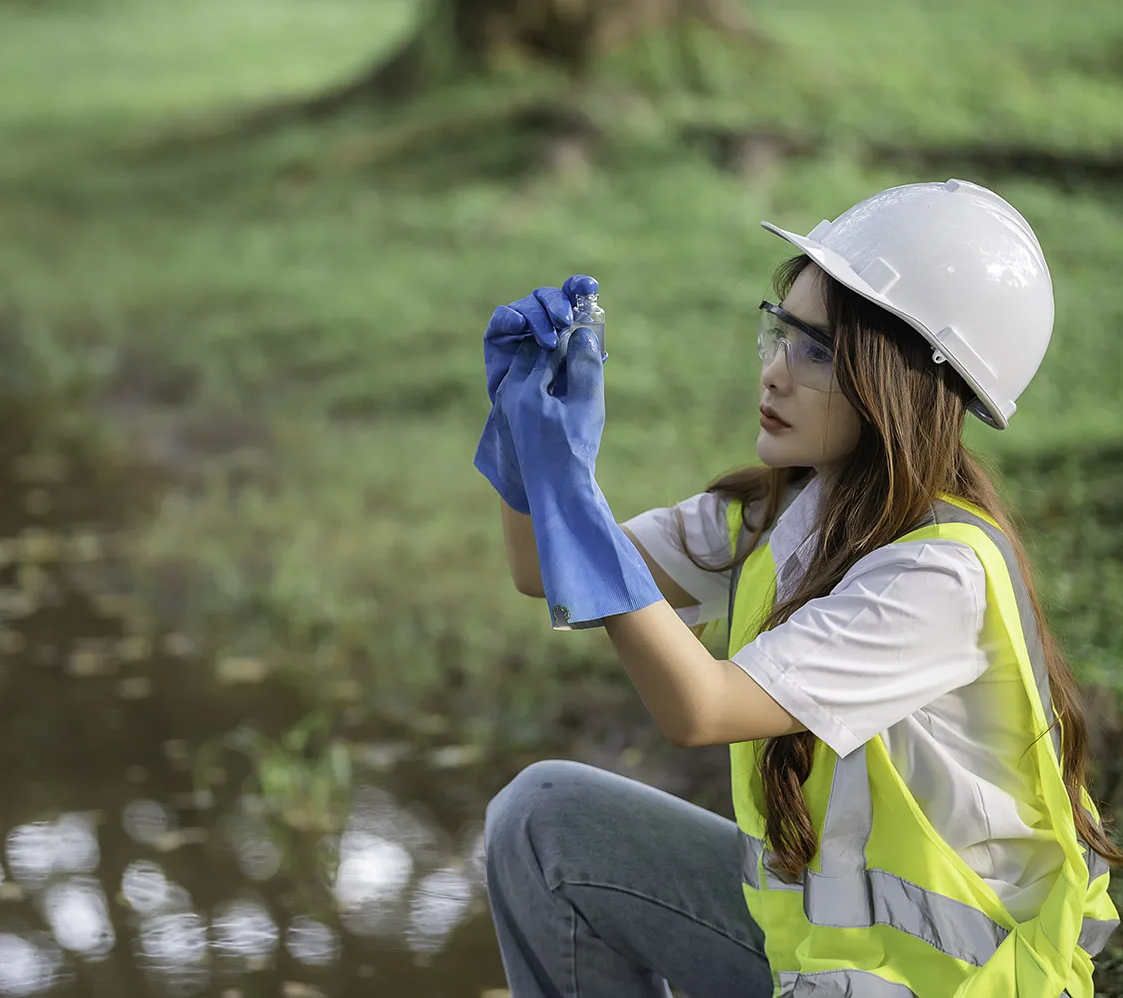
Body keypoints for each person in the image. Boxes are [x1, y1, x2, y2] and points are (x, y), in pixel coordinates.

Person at [473, 178, 1122, 997]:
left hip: (952, 983)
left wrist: (575, 491)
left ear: (901, 380)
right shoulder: (785, 509)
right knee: (545, 821)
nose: (777, 373)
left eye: (817, 350)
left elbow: (700, 708)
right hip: (819, 961)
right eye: (781, 335)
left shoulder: (936, 576)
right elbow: (543, 573)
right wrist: (524, 449)